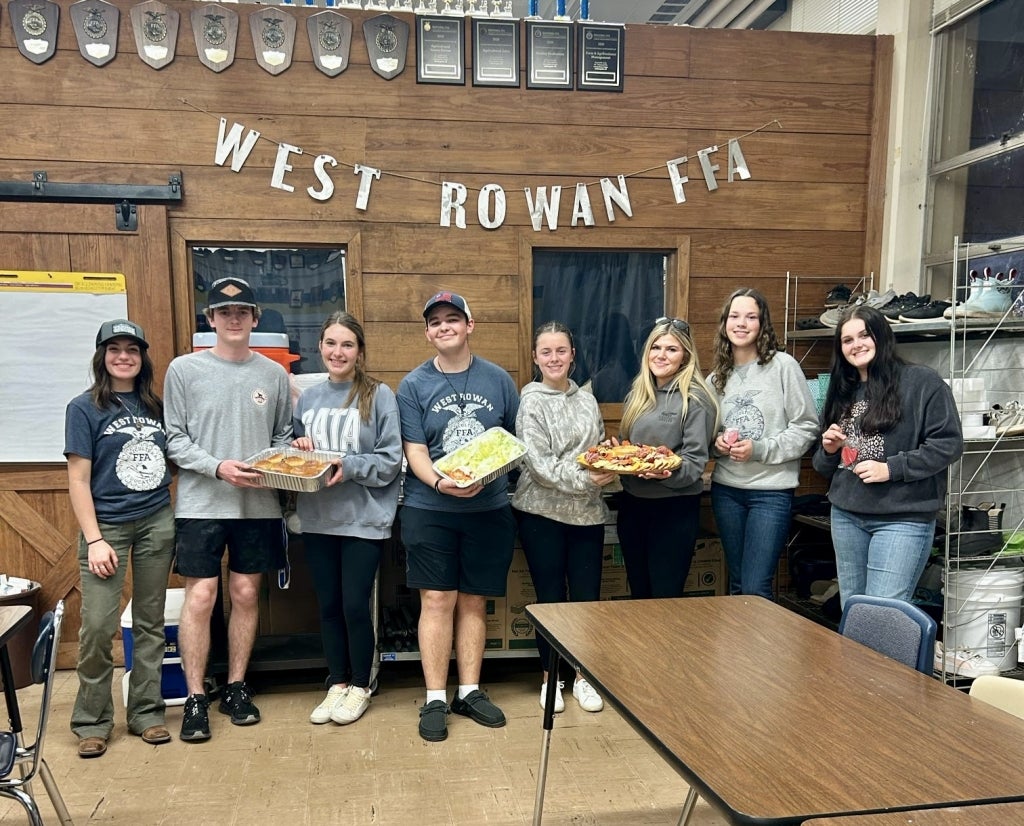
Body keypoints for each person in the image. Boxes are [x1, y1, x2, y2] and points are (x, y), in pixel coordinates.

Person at [164, 277, 293, 742]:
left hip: (258, 505)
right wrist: (217, 467)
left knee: (244, 595)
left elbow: (281, 435)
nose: (233, 319)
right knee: (200, 598)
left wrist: (278, 460)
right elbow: (174, 438)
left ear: (255, 318)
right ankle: (197, 697)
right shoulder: (183, 370)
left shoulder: (274, 375)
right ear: (211, 319)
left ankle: (237, 686)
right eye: (223, 313)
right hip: (201, 504)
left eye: (242, 313)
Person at [396, 291, 519, 742]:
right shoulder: (412, 385)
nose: (444, 327)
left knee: (473, 601)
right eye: (435, 322)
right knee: (437, 600)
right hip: (431, 508)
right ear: (427, 332)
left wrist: (489, 476)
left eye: (452, 319)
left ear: (470, 324)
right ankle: (434, 696)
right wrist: (441, 483)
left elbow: (510, 441)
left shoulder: (499, 380)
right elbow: (415, 450)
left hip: (489, 507)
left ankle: (468, 691)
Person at [64, 319, 175, 758]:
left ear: (142, 357)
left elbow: (176, 458)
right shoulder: (84, 408)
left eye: (132, 349)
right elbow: (77, 479)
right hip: (105, 527)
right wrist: (94, 539)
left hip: (155, 521)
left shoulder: (155, 406)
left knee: (149, 624)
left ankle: (147, 713)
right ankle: (92, 720)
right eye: (115, 349)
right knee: (96, 627)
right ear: (102, 357)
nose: (124, 356)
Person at [292, 311, 402, 726]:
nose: (338, 352)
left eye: (347, 345)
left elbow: (391, 460)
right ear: (320, 347)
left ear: (359, 352)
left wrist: (348, 465)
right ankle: (336, 682)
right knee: (329, 605)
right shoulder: (309, 398)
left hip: (364, 519)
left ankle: (361, 684)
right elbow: (292, 445)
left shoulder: (379, 395)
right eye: (331, 343)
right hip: (318, 517)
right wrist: (299, 443)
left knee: (356, 604)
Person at [812, 305, 962, 607]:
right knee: (852, 609)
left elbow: (948, 444)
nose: (857, 345)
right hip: (846, 516)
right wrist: (829, 450)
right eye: (847, 340)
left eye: (865, 335)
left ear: (882, 336)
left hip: (902, 519)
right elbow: (824, 466)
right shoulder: (843, 388)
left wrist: (891, 469)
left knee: (883, 614)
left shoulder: (921, 383)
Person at [512, 322, 615, 715]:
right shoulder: (531, 403)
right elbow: (538, 466)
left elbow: (595, 449)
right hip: (542, 515)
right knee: (551, 601)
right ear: (536, 358)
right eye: (546, 352)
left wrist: (607, 461)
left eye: (561, 351)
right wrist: (586, 479)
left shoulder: (587, 399)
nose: (554, 358)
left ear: (573, 354)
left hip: (587, 516)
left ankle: (584, 677)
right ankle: (550, 676)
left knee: (587, 602)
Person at [708, 289, 819, 599]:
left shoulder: (783, 366)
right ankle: (737, 650)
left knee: (756, 588)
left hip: (770, 493)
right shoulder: (716, 378)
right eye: (734, 316)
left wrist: (760, 449)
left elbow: (807, 426)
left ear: (762, 324)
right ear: (724, 323)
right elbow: (707, 438)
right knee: (738, 584)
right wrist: (717, 445)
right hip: (726, 491)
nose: (741, 323)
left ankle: (760, 649)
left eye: (750, 316)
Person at [616, 317, 719, 598]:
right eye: (656, 347)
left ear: (686, 356)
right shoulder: (638, 395)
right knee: (639, 593)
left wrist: (666, 472)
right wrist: (618, 456)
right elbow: (632, 450)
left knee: (665, 597)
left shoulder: (696, 399)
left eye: (672, 349)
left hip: (673, 510)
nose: (661, 355)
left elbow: (695, 462)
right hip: (633, 506)